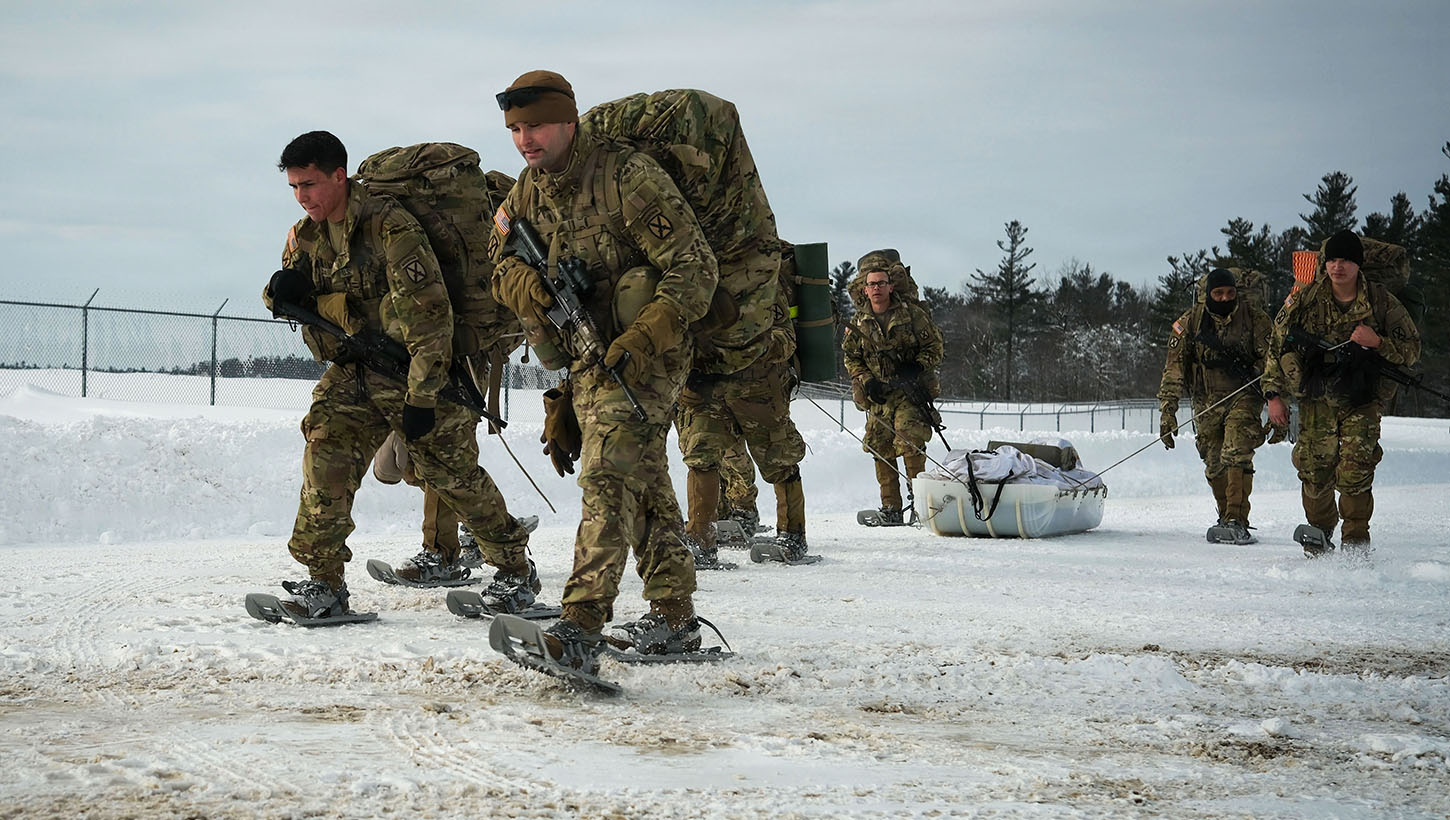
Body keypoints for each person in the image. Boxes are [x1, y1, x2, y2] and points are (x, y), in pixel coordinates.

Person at [487, 71, 717, 668]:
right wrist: (524, 283)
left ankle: (581, 625)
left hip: (650, 352)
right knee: (644, 480)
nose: (524, 140)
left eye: (534, 125)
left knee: (608, 477)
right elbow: (497, 263)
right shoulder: (526, 192)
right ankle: (673, 618)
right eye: (514, 129)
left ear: (568, 120)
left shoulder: (627, 177)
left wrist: (643, 338)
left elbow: (695, 268)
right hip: (586, 356)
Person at [263, 130, 535, 617]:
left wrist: (422, 399)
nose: (303, 197)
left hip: (415, 372)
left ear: (339, 176)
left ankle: (514, 570)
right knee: (326, 454)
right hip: (354, 372)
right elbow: (287, 292)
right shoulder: (306, 235)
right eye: (295, 188)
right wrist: (278, 292)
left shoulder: (391, 228)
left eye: (310, 185)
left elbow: (431, 320)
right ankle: (323, 582)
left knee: (451, 475)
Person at [1263, 229, 1421, 556]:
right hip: (1316, 396)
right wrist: (1272, 395)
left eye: (1346, 260)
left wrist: (1377, 342)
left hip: (1360, 398)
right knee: (1314, 470)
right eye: (1333, 259)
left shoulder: (1380, 301)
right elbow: (1276, 344)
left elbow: (1412, 350)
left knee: (1355, 471)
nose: (1338, 267)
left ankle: (1356, 541)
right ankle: (1319, 531)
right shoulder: (1305, 298)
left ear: (1358, 265)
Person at [1157, 267, 1274, 544]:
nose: (1224, 298)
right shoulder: (1190, 323)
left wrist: (1276, 400)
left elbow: (1274, 363)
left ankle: (1236, 517)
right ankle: (1225, 518)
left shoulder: (1255, 320)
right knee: (1213, 460)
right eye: (1218, 293)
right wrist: (1167, 412)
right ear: (1207, 294)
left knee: (1236, 450)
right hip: (1207, 399)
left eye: (1230, 293)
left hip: (1245, 394)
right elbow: (1173, 370)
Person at [842, 252, 944, 523]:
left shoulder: (911, 315)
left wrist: (917, 366)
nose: (876, 288)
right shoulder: (859, 322)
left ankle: (921, 505)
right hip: (880, 395)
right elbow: (851, 357)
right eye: (871, 284)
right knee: (879, 445)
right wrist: (866, 379)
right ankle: (891, 508)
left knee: (909, 440)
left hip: (909, 392)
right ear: (865, 289)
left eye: (881, 283)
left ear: (890, 286)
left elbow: (935, 346)